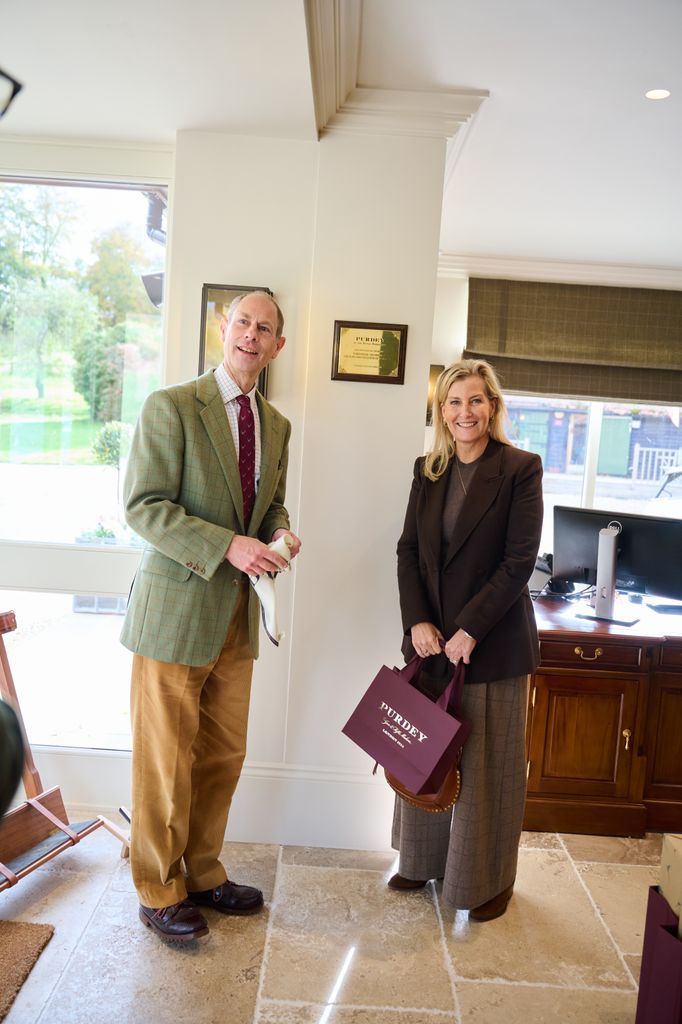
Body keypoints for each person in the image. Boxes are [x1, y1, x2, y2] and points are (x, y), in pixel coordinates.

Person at [120, 290, 301, 943]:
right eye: (244, 323)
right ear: (226, 330)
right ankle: (158, 889)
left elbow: (272, 505)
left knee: (222, 754)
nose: (253, 335)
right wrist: (228, 544)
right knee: (164, 758)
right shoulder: (171, 406)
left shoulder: (276, 426)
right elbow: (143, 507)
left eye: (267, 329)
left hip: (238, 617)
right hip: (174, 610)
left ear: (279, 346)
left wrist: (280, 536)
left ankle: (201, 872)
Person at [390, 358, 543, 921]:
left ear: (493, 407)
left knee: (489, 770)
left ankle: (486, 885)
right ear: (442, 411)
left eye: (475, 400)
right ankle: (420, 861)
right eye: (454, 402)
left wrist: (469, 629)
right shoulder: (426, 470)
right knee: (422, 754)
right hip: (429, 643)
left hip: (493, 644)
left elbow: (518, 561)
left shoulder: (521, 469)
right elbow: (408, 550)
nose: (464, 412)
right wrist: (418, 622)